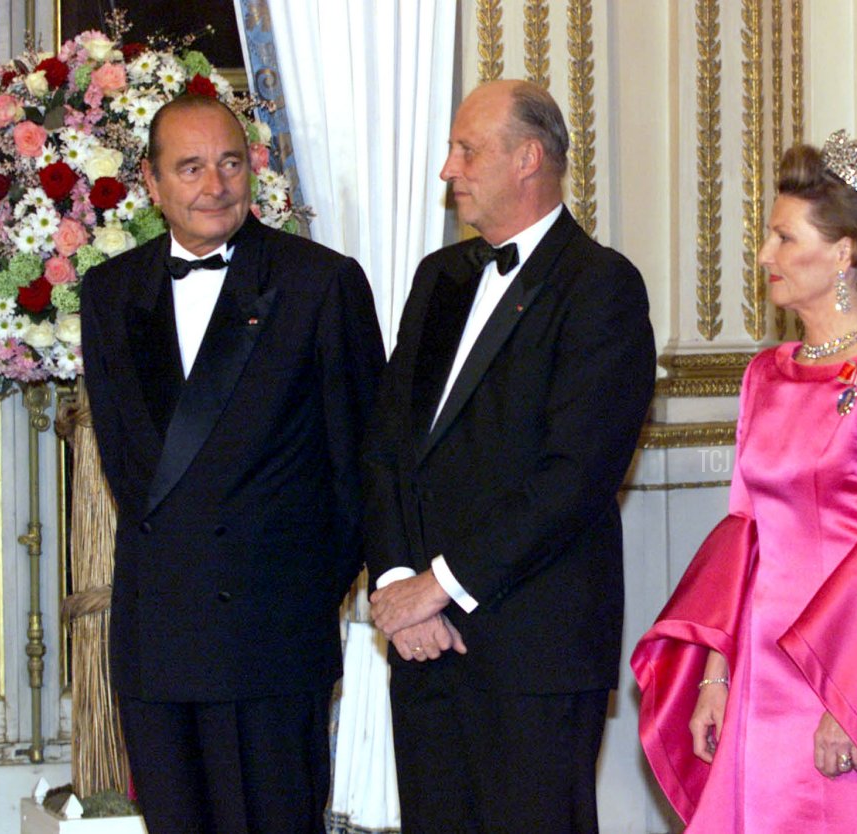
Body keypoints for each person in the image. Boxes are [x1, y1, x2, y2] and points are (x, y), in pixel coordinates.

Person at [81, 94, 385, 833]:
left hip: (269, 636)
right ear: (152, 185)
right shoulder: (111, 291)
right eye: (190, 168)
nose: (214, 184)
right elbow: (128, 464)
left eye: (229, 162)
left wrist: (300, 593)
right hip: (156, 638)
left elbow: (365, 467)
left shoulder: (319, 282)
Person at [363, 79, 655, 833]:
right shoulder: (439, 278)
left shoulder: (602, 287)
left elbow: (575, 478)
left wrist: (441, 584)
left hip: (534, 652)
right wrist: (400, 583)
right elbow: (389, 444)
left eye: (466, 149)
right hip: (424, 647)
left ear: (528, 158)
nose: (448, 169)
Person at [632, 131, 857, 832]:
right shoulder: (764, 373)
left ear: (844, 253)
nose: (765, 255)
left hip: (837, 680)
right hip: (753, 676)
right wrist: (716, 675)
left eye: (782, 237)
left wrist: (852, 698)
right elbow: (741, 538)